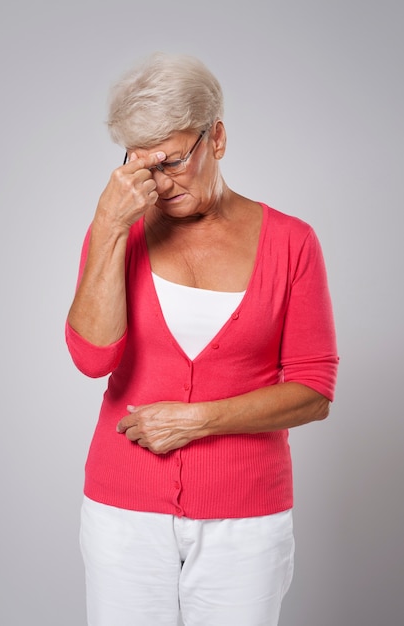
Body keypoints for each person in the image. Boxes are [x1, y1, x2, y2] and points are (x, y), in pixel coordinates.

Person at [66, 51, 339, 626]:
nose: (157, 184)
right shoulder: (119, 233)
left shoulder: (291, 242)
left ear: (215, 139)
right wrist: (110, 226)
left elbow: (313, 392)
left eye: (170, 161)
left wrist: (196, 420)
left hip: (247, 516)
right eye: (140, 166)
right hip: (124, 510)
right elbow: (92, 358)